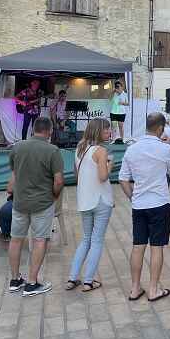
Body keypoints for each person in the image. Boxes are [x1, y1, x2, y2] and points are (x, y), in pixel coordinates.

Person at [119, 112, 170, 302]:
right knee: (157, 247)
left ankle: (135, 288)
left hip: (139, 204)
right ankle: (153, 289)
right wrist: (168, 147)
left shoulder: (132, 149)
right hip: (160, 203)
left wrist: (132, 197)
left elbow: (123, 179)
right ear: (161, 128)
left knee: (138, 246)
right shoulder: (164, 149)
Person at [7, 117, 64, 295]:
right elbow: (59, 180)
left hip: (19, 202)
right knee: (40, 240)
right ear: (49, 131)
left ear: (34, 130)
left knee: (16, 239)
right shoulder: (53, 150)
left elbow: (14, 175)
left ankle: (15, 280)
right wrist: (54, 195)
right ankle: (32, 283)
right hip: (42, 202)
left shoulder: (17, 147)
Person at [67, 119, 114, 292]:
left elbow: (76, 173)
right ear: (99, 131)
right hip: (101, 200)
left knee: (86, 239)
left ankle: (72, 278)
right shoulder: (101, 151)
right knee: (97, 240)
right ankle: (88, 280)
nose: (110, 132)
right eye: (107, 130)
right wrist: (110, 166)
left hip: (85, 199)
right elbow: (103, 177)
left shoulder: (80, 147)